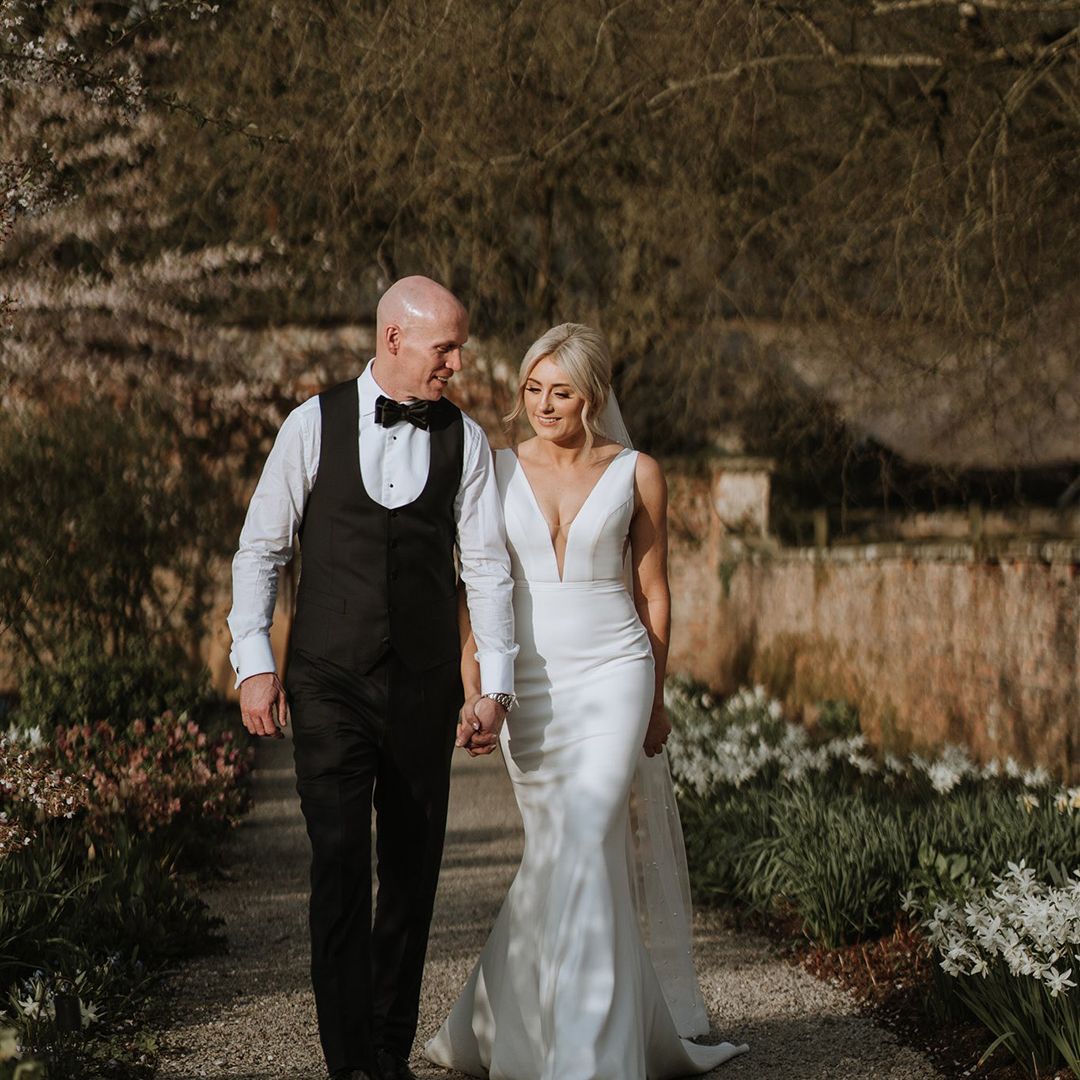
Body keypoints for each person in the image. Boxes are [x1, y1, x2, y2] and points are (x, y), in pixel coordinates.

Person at [426, 324, 749, 1079]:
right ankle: (500, 1022)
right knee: (567, 855)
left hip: (614, 672)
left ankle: (587, 1060)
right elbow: (478, 589)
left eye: (559, 391)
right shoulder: (493, 470)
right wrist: (475, 687)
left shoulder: (638, 472)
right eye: (532, 389)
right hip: (529, 684)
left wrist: (657, 697)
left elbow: (655, 592)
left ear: (592, 396)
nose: (542, 404)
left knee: (585, 835)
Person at [227, 276, 517, 1080]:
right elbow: (261, 550)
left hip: (425, 687)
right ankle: (349, 1059)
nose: (457, 364)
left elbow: (488, 571)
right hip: (328, 683)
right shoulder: (310, 425)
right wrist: (256, 665)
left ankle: (389, 1050)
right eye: (445, 348)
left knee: (415, 872)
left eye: (459, 347)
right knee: (341, 862)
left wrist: (492, 687)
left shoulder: (466, 440)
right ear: (394, 339)